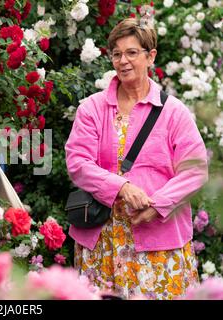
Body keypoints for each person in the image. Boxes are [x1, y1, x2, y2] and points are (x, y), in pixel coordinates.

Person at [65, 18, 208, 300]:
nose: (123, 61)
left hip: (159, 240)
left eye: (132, 52)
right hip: (102, 241)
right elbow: (78, 163)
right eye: (116, 54)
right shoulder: (92, 108)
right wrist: (122, 187)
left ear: (150, 55)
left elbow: (196, 170)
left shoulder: (173, 112)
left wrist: (159, 206)